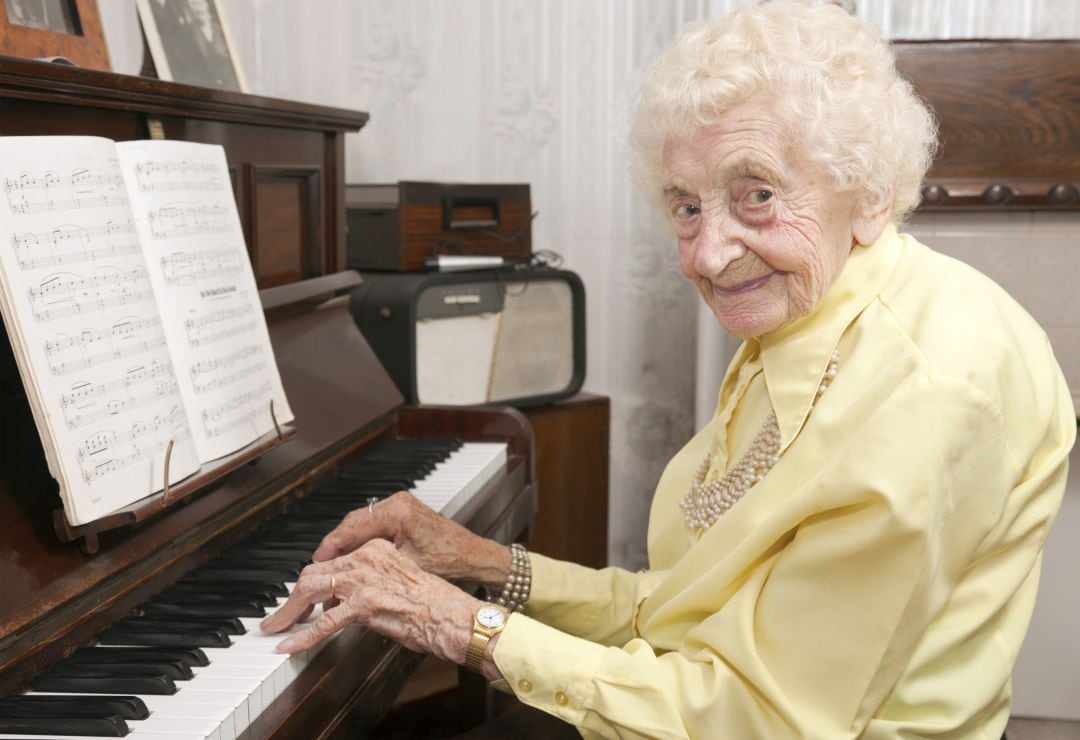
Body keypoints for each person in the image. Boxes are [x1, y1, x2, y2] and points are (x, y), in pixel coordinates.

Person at [261, 2, 1075, 737]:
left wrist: (461, 624)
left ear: (869, 192)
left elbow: (761, 717)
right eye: (687, 206)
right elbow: (684, 611)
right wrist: (485, 566)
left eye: (755, 194)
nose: (710, 258)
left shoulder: (920, 394)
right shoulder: (809, 322)